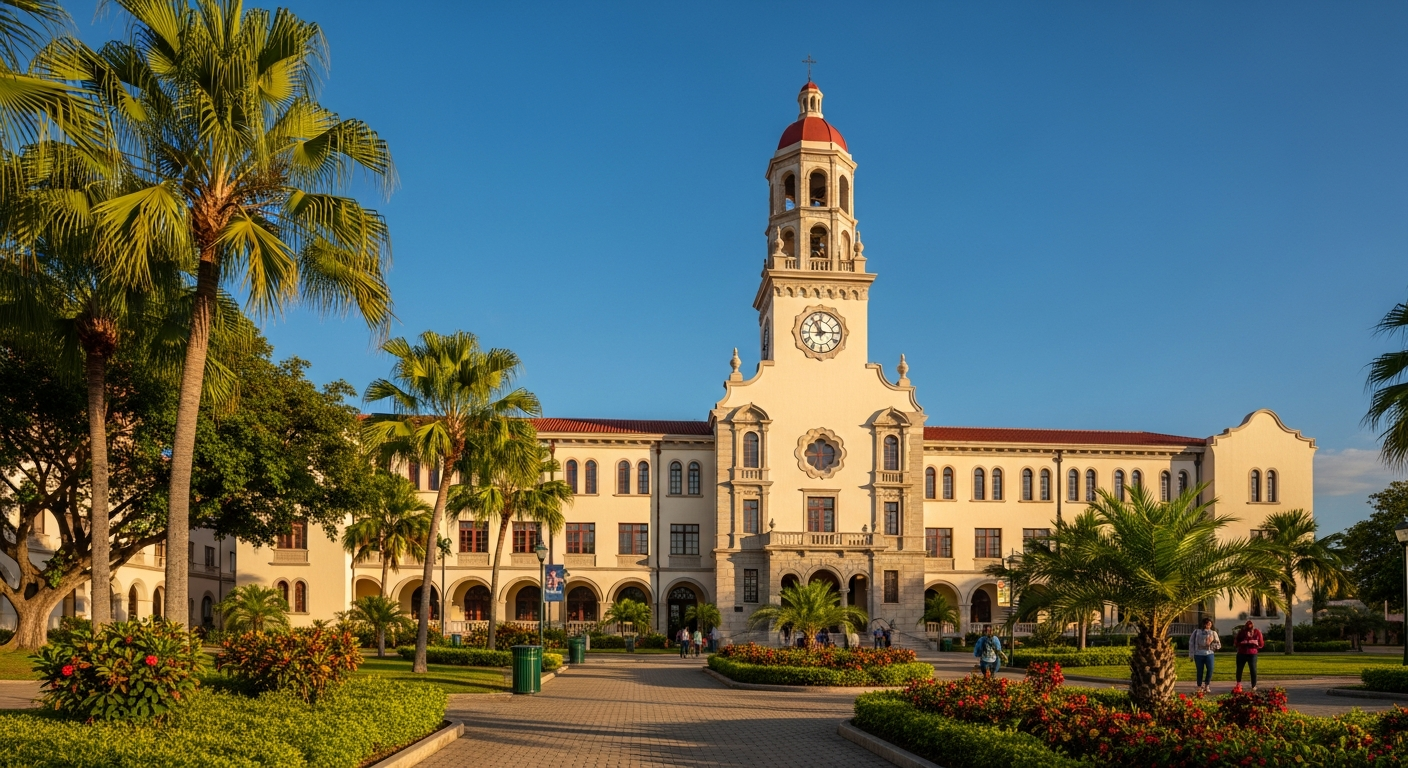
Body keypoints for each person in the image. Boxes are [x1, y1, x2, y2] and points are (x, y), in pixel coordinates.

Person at [1189, 617, 1221, 693]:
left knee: (1210, 669)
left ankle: (1207, 685)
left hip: (1209, 654)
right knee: (1200, 670)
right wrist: (1191, 655)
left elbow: (1219, 645)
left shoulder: (1213, 633)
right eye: (1207, 623)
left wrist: (1211, 644)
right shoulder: (1196, 632)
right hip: (1198, 654)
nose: (1209, 625)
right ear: (1204, 624)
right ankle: (1199, 686)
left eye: (1210, 623)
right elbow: (1191, 643)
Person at [1234, 619, 1264, 690]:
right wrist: (1242, 643)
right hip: (1242, 653)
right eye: (1247, 626)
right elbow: (1236, 642)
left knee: (1253, 669)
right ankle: (1238, 684)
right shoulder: (1241, 632)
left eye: (1250, 626)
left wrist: (1256, 644)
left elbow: (1261, 643)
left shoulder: (1257, 632)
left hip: (1252, 653)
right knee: (1239, 669)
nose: (1249, 628)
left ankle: (1253, 685)